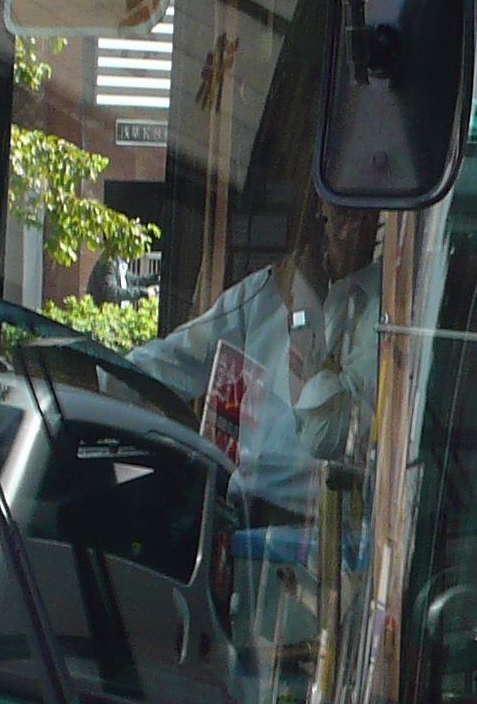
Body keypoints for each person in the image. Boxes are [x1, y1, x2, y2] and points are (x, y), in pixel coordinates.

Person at [128, 198, 385, 520]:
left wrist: (304, 313)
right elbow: (176, 359)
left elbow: (326, 435)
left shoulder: (386, 310)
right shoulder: (267, 292)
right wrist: (94, 376)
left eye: (361, 209)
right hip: (239, 511)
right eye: (342, 207)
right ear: (322, 205)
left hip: (314, 528)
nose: (349, 226)